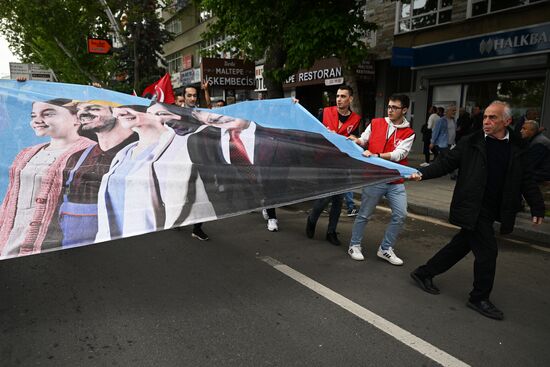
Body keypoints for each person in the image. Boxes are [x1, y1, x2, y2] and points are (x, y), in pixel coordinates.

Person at [410, 101, 545, 321]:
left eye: (493, 117)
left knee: (461, 245)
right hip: (474, 205)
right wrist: (421, 174)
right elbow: (446, 163)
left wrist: (537, 206)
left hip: (496, 207)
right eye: (485, 117)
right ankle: (478, 297)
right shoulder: (471, 142)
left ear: (507, 121)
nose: (487, 121)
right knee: (488, 252)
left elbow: (526, 179)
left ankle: (424, 272)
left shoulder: (517, 147)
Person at [95, 105, 216, 242]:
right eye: (117, 108)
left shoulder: (183, 145)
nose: (120, 111)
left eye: (129, 106)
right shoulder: (123, 155)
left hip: (153, 240)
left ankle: (196, 228)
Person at [0, 99, 94, 258]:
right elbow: (9, 201)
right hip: (10, 243)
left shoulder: (92, 152)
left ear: (77, 118)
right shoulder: (26, 153)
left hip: (52, 247)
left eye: (48, 114)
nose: (37, 120)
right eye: (33, 115)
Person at [52, 100, 138, 248]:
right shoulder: (77, 158)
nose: (82, 113)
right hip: (77, 250)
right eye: (79, 110)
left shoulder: (141, 153)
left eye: (93, 108)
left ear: (118, 112)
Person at [347, 94, 415, 264]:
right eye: (389, 106)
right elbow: (364, 139)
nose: (390, 110)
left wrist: (377, 155)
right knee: (364, 214)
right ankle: (354, 245)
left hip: (394, 180)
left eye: (395, 107)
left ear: (404, 110)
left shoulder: (409, 133)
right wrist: (357, 140)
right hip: (374, 178)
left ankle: (385, 249)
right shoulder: (377, 123)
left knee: (400, 215)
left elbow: (400, 155)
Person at [306, 85, 361, 245]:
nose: (339, 99)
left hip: (343, 163)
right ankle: (312, 218)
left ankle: (331, 232)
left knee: (338, 199)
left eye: (343, 96)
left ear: (350, 99)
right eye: (337, 96)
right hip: (324, 161)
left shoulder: (356, 119)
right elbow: (311, 128)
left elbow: (355, 140)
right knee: (325, 197)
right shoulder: (325, 112)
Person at [182, 83, 212, 240]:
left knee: (203, 194)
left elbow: (212, 110)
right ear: (184, 97)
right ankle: (177, 219)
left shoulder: (201, 112)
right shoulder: (176, 112)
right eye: (190, 95)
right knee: (182, 193)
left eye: (195, 95)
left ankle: (197, 228)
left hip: (201, 159)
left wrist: (206, 91)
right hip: (182, 160)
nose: (193, 98)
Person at [520, 120, 550, 211]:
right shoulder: (535, 140)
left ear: (532, 131)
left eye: (524, 129)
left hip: (541, 176)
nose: (521, 130)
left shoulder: (539, 143)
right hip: (540, 175)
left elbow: (530, 164)